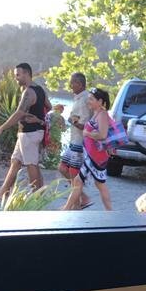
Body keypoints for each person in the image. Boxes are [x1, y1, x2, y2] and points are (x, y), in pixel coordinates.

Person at [0, 62, 51, 201]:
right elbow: (49, 106)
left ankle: (37, 195)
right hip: (29, 132)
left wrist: (0, 129)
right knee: (15, 161)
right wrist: (39, 119)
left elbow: (18, 113)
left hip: (30, 133)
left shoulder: (28, 91)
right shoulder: (39, 89)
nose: (16, 78)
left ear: (27, 74)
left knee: (31, 164)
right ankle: (3, 192)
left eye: (18, 75)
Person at [63, 87, 112, 211]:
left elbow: (102, 135)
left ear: (100, 101)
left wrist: (87, 134)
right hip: (91, 156)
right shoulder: (96, 113)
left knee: (99, 184)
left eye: (91, 99)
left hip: (97, 158)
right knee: (79, 181)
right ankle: (67, 209)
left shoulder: (102, 115)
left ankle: (110, 212)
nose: (88, 101)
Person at [59, 72, 93, 208]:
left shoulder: (85, 99)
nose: (70, 85)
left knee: (74, 174)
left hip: (80, 142)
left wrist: (72, 121)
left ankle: (74, 206)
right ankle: (82, 199)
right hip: (74, 141)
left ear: (79, 84)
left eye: (72, 82)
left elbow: (85, 123)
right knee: (62, 168)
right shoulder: (78, 98)